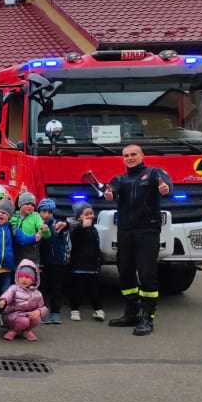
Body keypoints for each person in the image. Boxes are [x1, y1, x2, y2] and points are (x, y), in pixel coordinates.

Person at [104, 144, 171, 335]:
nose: (130, 158)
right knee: (124, 271)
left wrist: (165, 189)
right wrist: (109, 195)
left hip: (147, 230)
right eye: (126, 155)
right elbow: (111, 192)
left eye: (133, 154)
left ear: (142, 156)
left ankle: (147, 318)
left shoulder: (153, 174)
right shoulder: (120, 179)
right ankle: (131, 312)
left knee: (147, 273)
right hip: (125, 231)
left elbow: (166, 186)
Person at [68, 201, 105, 322]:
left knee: (94, 290)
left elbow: (96, 246)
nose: (89, 216)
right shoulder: (76, 228)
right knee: (77, 290)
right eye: (86, 214)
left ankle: (98, 309)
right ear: (79, 217)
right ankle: (74, 309)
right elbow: (74, 237)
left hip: (92, 266)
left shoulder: (94, 230)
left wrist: (100, 258)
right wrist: (82, 226)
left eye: (91, 213)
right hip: (78, 266)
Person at [0, 259, 48, 341]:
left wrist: (39, 311)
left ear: (33, 280)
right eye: (21, 277)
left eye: (27, 277)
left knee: (37, 318)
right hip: (11, 316)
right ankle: (13, 331)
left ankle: (26, 331)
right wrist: (3, 300)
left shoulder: (37, 293)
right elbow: (7, 295)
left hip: (27, 315)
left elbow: (43, 307)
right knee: (24, 321)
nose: (24, 279)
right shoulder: (14, 288)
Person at [37, 198, 68, 324]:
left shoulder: (57, 224)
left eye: (50, 212)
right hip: (42, 260)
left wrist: (65, 225)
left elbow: (68, 225)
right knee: (42, 288)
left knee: (56, 288)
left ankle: (55, 312)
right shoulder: (36, 223)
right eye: (44, 211)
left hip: (56, 261)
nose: (46, 215)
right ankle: (43, 311)